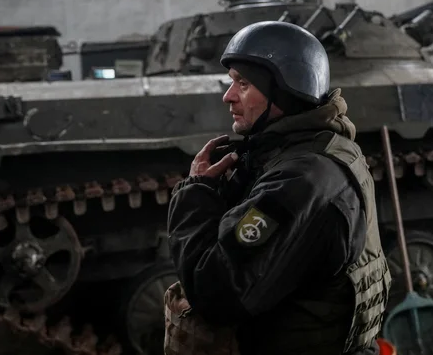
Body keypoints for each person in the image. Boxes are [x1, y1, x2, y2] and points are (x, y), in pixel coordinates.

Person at [166, 21, 391, 355]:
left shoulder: (300, 180)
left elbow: (214, 291)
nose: (228, 97)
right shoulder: (324, 146)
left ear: (287, 90)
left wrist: (196, 193)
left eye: (243, 84)